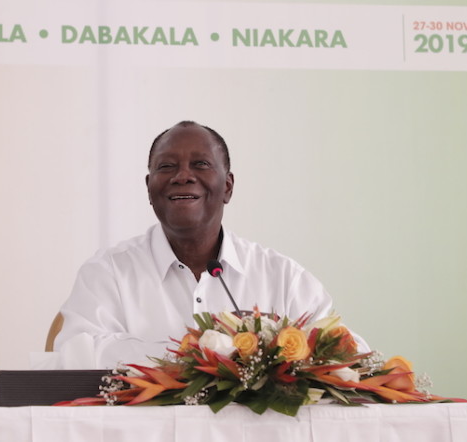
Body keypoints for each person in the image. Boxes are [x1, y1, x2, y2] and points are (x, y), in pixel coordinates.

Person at [54, 121, 354, 369]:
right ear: (149, 188)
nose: (182, 176)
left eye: (200, 164)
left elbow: (346, 355)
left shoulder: (283, 277)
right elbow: (74, 351)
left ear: (227, 186)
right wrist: (191, 354)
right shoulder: (108, 272)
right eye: (167, 166)